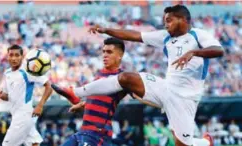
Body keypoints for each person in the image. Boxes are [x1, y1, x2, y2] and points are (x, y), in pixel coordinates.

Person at [57, 5, 225, 146]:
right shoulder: (166, 37)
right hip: (166, 88)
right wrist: (106, 30)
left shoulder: (198, 34)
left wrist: (194, 52)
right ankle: (76, 92)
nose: (165, 25)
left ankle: (204, 143)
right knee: (125, 78)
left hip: (185, 99)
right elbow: (134, 35)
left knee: (182, 145)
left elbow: (219, 50)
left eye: (168, 21)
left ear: (182, 19)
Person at [52, 37, 132, 146]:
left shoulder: (123, 78)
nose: (104, 55)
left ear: (120, 55)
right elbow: (101, 99)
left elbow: (140, 94)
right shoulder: (100, 74)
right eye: (103, 51)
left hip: (98, 133)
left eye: (109, 52)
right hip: (83, 131)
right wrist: (84, 104)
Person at [0, 45, 53, 146]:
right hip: (17, 115)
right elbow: (9, 97)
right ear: (7, 57)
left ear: (22, 57)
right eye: (11, 55)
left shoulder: (28, 71)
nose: (14, 58)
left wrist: (40, 105)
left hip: (23, 115)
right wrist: (1, 95)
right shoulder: (7, 73)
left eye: (17, 55)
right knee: (34, 143)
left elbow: (49, 86)